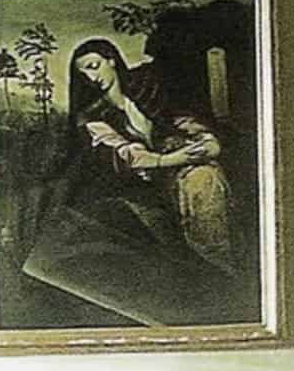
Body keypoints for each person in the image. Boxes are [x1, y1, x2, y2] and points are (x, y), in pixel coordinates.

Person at [64, 38, 234, 272]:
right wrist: (178, 158)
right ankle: (210, 267)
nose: (92, 78)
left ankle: (217, 261)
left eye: (94, 66)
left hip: (176, 167)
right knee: (200, 178)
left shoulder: (146, 91)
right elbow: (130, 157)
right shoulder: (92, 117)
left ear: (111, 60)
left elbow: (180, 120)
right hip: (139, 184)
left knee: (204, 177)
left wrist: (207, 139)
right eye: (84, 75)